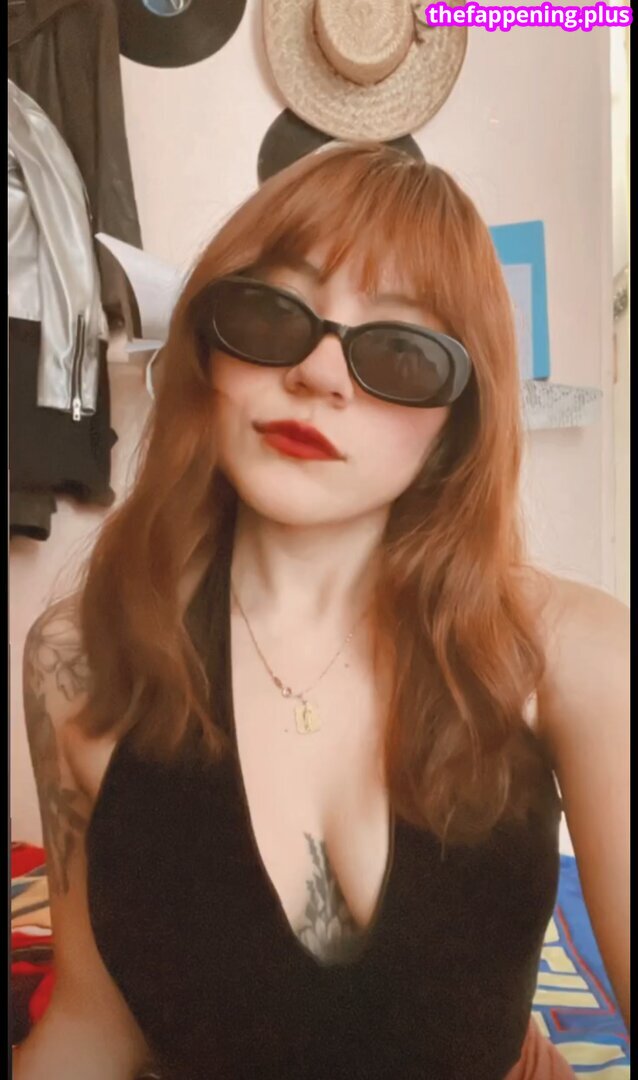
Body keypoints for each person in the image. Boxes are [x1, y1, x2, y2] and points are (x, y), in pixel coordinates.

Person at [15, 143, 629, 1079]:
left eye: (400, 351)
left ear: (457, 424)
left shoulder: (577, 654)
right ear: (208, 351)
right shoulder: (77, 661)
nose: (319, 374)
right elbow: (96, 1023)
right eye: (272, 313)